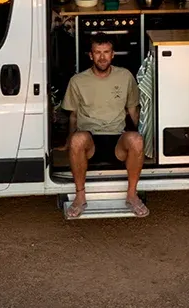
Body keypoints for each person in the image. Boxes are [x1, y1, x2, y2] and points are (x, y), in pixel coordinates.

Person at [59, 33, 148, 218]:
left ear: (112, 54)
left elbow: (133, 111)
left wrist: (144, 141)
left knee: (136, 140)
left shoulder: (125, 76)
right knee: (77, 139)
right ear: (91, 55)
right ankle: (80, 197)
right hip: (89, 141)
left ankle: (132, 195)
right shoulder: (78, 81)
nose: (102, 57)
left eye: (106, 52)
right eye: (97, 52)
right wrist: (69, 142)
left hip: (117, 139)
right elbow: (73, 116)